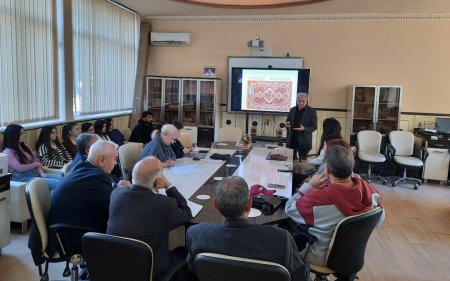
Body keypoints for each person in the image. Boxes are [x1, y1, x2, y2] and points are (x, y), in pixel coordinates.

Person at [285, 139, 385, 280]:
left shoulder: (319, 199)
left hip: (320, 256)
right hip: (352, 256)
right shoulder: (371, 192)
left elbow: (289, 209)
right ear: (352, 167)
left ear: (327, 169)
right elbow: (379, 220)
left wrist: (308, 187)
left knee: (283, 231)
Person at [186, 176, 310, 281]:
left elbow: (193, 269)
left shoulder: (195, 233)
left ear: (215, 204)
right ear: (250, 204)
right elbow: (300, 277)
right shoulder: (281, 239)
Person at [107, 156, 192, 280]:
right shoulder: (164, 204)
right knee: (182, 251)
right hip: (150, 271)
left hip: (114, 266)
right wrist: (168, 185)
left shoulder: (116, 194)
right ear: (158, 182)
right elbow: (186, 215)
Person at [48, 140, 128, 255]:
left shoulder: (85, 167)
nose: (116, 163)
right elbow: (116, 205)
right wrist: (123, 189)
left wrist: (118, 186)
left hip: (69, 227)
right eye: (114, 159)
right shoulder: (94, 178)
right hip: (74, 235)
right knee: (129, 228)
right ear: (101, 160)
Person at [2, 124, 60, 190]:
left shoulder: (26, 147)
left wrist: (41, 172)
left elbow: (35, 161)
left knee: (63, 179)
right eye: (21, 133)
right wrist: (36, 164)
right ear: (13, 136)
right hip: (23, 178)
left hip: (35, 174)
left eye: (24, 132)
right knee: (57, 183)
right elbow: (19, 168)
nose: (24, 135)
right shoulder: (8, 152)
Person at [286, 93, 317, 160]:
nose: (300, 103)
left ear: (307, 101)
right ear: (296, 100)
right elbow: (288, 121)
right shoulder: (292, 110)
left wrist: (304, 129)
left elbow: (314, 126)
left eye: (303, 101)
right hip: (292, 139)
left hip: (304, 141)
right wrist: (287, 124)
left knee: (302, 161)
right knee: (291, 160)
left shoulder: (312, 111)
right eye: (299, 101)